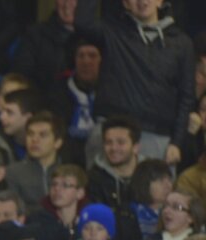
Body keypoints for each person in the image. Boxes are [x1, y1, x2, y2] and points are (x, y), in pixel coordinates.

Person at [74, 0, 196, 167]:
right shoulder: (112, 31)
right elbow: (83, 23)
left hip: (157, 138)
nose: (142, 1)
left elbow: (186, 97)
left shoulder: (182, 43)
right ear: (125, 3)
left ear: (161, 1)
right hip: (110, 130)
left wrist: (177, 142)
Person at [4, 112, 65, 211]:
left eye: (43, 135)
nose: (34, 140)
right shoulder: (13, 173)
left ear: (58, 142)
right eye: (30, 134)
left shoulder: (69, 174)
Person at [87, 114, 143, 210]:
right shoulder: (94, 178)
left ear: (136, 147)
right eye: (108, 142)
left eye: (121, 143)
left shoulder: (151, 175)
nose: (114, 148)